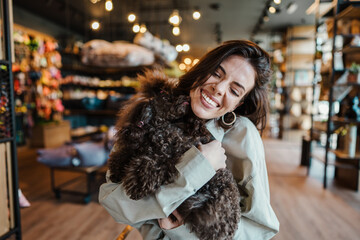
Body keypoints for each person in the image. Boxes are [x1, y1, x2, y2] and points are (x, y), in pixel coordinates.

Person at [99, 40, 280, 239]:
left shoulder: (243, 135)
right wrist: (196, 169)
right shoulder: (155, 110)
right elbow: (113, 202)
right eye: (216, 73)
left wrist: (178, 230)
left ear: (240, 102)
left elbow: (260, 229)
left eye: (234, 90)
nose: (219, 88)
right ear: (202, 69)